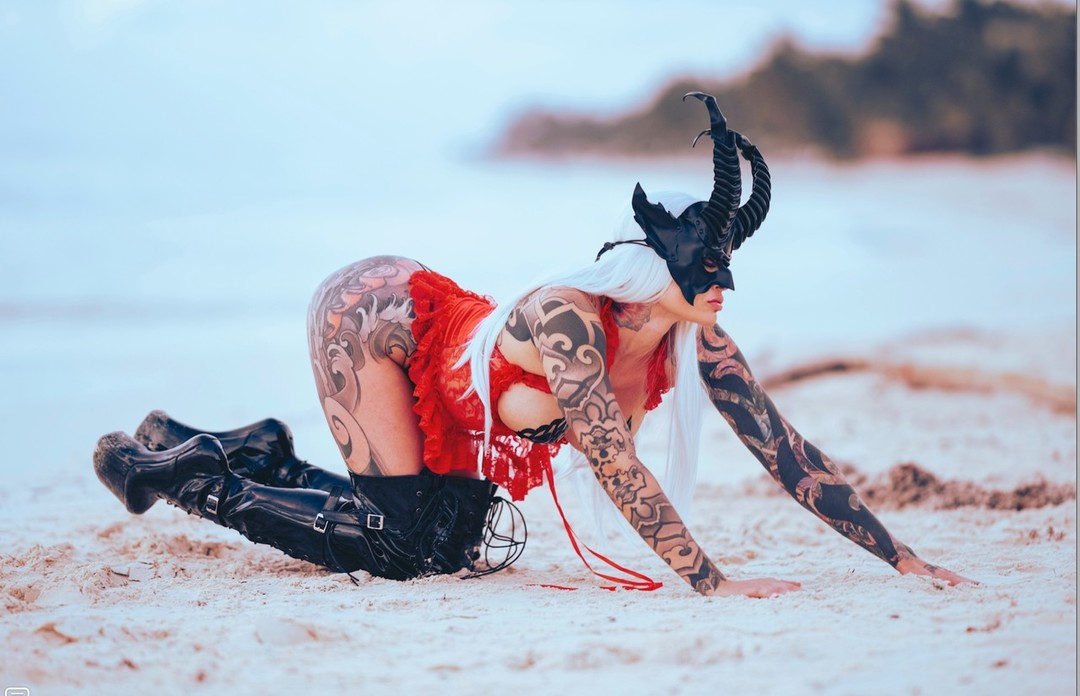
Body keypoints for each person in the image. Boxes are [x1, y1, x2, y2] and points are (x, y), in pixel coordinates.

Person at [94, 92, 973, 596]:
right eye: (707, 267)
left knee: (446, 549)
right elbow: (616, 464)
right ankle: (182, 473)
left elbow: (788, 452)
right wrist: (713, 583)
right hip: (372, 322)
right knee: (401, 549)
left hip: (447, 368)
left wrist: (904, 558)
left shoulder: (700, 344)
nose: (721, 284)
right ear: (653, 265)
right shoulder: (570, 322)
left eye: (728, 267)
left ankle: (256, 450)